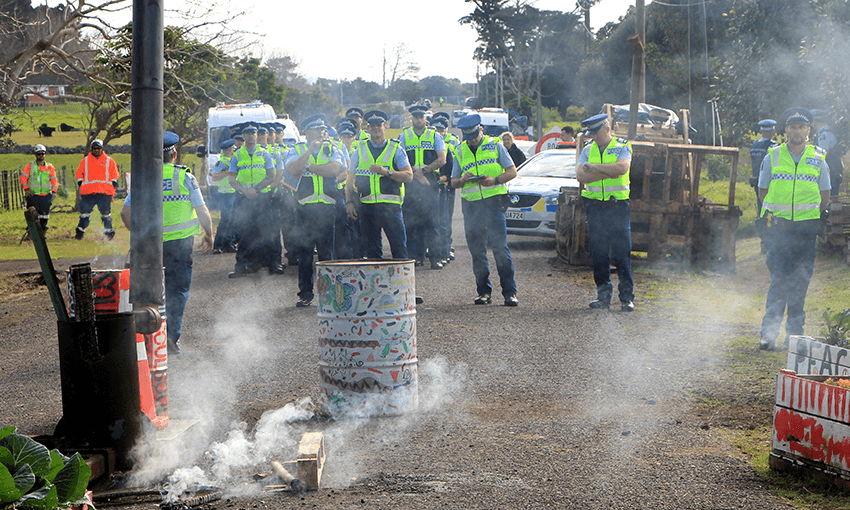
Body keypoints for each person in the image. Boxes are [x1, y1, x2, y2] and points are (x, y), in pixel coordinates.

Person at [120, 131, 213, 354]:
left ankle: (148, 337)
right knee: (177, 290)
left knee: (149, 290)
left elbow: (125, 213)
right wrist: (209, 233)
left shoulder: (143, 178)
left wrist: (140, 234)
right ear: (174, 154)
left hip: (151, 245)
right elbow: (201, 210)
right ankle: (169, 339)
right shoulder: (185, 177)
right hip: (180, 245)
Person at [757, 107, 831, 351]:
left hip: (807, 230)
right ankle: (768, 334)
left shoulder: (819, 157)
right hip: (780, 229)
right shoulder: (773, 156)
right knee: (779, 280)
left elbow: (825, 195)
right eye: (792, 127)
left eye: (801, 127)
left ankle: (795, 337)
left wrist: (808, 215)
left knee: (800, 282)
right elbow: (763, 190)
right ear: (785, 131)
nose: (797, 131)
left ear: (808, 131)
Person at [450, 113, 518, 307]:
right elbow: (454, 182)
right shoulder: (460, 150)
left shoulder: (496, 145)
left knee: (500, 249)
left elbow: (512, 171)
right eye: (467, 137)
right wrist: (462, 180)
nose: (471, 140)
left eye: (474, 135)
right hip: (471, 206)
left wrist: (494, 181)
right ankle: (483, 292)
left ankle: (510, 292)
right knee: (477, 251)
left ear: (481, 129)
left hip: (493, 202)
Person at [575, 113, 635, 312]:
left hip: (617, 206)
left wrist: (594, 168)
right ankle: (603, 297)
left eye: (597, 133)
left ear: (607, 129)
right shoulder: (587, 149)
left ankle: (626, 298)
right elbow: (581, 176)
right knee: (599, 254)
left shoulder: (622, 146)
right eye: (591, 134)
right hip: (595, 208)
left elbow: (622, 169)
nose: (594, 137)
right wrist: (605, 170)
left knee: (622, 254)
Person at [284, 114, 346, 307]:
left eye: (324, 129)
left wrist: (309, 166)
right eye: (317, 129)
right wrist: (309, 153)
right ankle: (305, 293)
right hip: (304, 208)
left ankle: (329, 294)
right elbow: (293, 169)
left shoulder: (332, 149)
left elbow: (334, 170)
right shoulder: (296, 149)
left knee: (327, 254)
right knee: (305, 253)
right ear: (307, 133)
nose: (322, 132)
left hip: (327, 208)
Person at [344, 110, 413, 260]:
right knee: (372, 252)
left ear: (385, 127)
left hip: (391, 208)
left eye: (379, 125)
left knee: (399, 249)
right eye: (372, 126)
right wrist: (349, 202)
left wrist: (386, 172)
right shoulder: (359, 151)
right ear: (367, 129)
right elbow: (349, 181)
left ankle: (400, 283)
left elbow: (408, 176)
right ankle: (376, 283)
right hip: (367, 209)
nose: (376, 128)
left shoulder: (396, 149)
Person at [399, 104, 447, 268]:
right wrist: (416, 173)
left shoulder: (435, 136)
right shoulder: (404, 136)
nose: (418, 119)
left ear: (425, 118)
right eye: (415, 117)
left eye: (421, 117)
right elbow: (400, 159)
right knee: (412, 222)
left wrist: (424, 171)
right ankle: (416, 257)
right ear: (411, 118)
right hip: (411, 183)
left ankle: (436, 258)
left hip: (430, 182)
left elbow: (442, 159)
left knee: (432, 222)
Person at [227, 125, 277, 278]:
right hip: (244, 198)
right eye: (247, 133)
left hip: (262, 197)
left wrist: (256, 188)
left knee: (267, 231)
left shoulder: (264, 154)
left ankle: (273, 265)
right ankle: (241, 266)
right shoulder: (237, 155)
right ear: (243, 135)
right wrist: (245, 190)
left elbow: (271, 175)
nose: (250, 136)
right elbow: (231, 178)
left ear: (257, 135)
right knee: (245, 233)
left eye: (253, 133)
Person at [74, 139, 119, 240]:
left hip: (104, 193)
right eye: (94, 148)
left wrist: (114, 184)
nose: (96, 150)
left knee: (106, 214)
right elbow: (79, 174)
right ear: (92, 149)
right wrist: (81, 184)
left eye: (98, 148)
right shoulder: (85, 161)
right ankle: (80, 232)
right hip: (88, 193)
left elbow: (114, 174)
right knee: (84, 214)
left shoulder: (109, 161)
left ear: (102, 149)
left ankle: (109, 233)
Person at [749, 119, 778, 254]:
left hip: (757, 183)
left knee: (761, 211)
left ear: (761, 131)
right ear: (773, 131)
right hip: (771, 184)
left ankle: (763, 242)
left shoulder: (754, 146)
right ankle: (770, 243)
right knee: (773, 212)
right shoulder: (773, 147)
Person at [20, 144, 58, 231]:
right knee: (32, 215)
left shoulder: (50, 167)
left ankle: (43, 231)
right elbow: (23, 178)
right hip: (34, 195)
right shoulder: (30, 165)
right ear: (35, 155)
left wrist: (54, 191)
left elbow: (54, 180)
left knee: (44, 215)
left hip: (46, 196)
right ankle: (31, 233)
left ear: (44, 154)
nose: (41, 155)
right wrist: (26, 189)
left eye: (42, 154)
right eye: (39, 154)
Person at [211, 139, 237, 253]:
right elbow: (214, 176)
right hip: (224, 194)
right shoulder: (222, 162)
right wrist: (227, 172)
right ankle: (218, 245)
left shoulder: (232, 160)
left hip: (232, 193)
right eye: (233, 149)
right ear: (231, 150)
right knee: (225, 220)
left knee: (231, 220)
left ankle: (228, 244)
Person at [811, 109, 844, 197]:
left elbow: (822, 156)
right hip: (832, 172)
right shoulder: (823, 132)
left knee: (830, 201)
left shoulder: (824, 134)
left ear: (815, 121)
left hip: (831, 173)